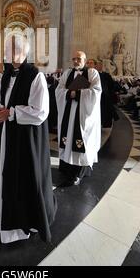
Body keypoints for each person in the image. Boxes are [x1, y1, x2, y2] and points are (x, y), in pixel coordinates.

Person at [0, 35, 57, 244]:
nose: (4, 53)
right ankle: (3, 218)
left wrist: (11, 113)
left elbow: (41, 112)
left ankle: (23, 222)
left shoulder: (35, 76)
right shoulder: (5, 75)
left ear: (20, 52)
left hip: (25, 139)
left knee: (23, 177)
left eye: (7, 49)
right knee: (5, 174)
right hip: (7, 134)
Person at [55, 51, 102, 186]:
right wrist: (69, 93)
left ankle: (79, 172)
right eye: (73, 58)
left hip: (83, 115)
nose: (76, 61)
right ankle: (66, 167)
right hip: (68, 113)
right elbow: (59, 90)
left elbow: (96, 91)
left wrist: (78, 93)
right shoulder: (67, 73)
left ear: (85, 60)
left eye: (79, 58)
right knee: (67, 138)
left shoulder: (92, 73)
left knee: (82, 140)